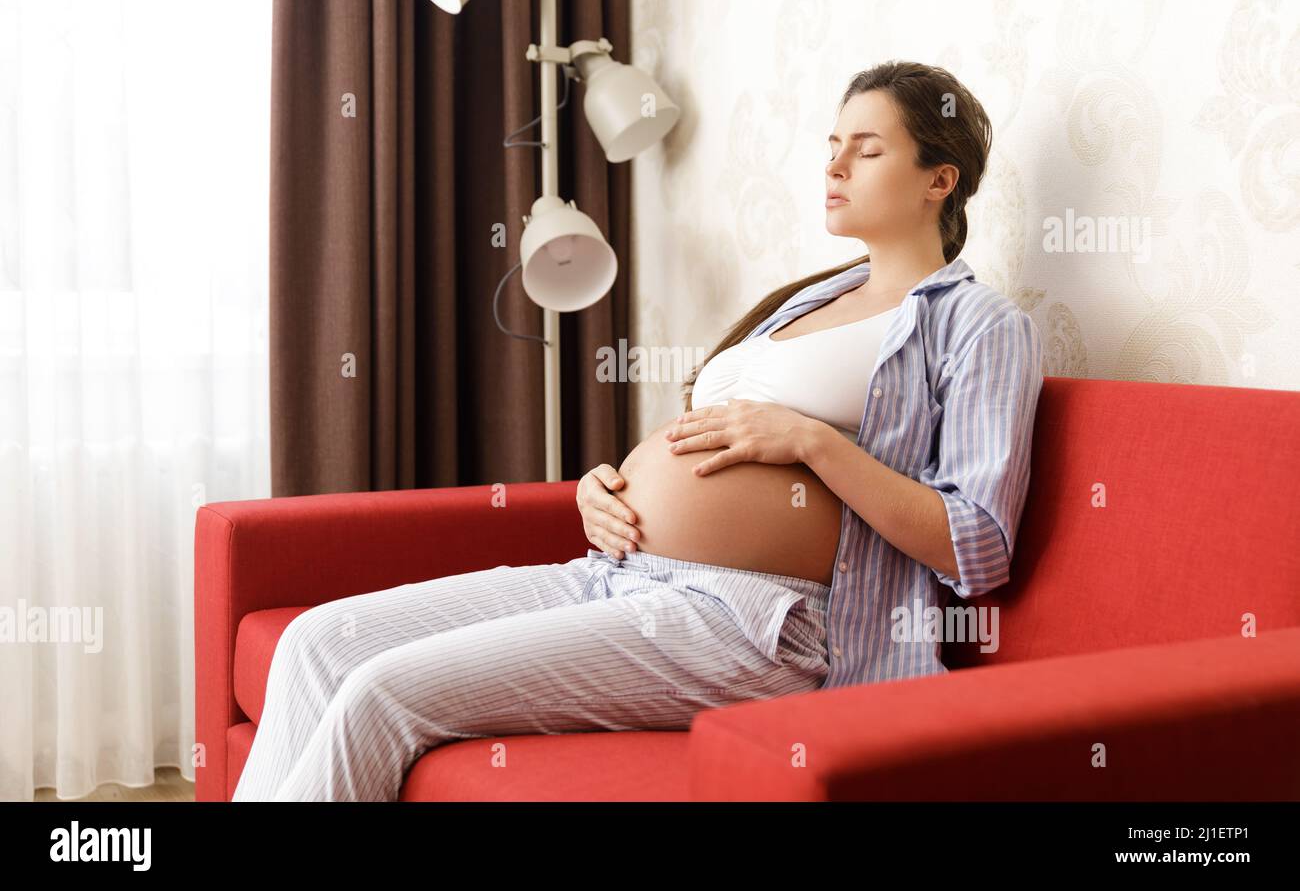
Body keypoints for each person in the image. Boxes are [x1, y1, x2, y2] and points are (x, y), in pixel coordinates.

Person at [232, 60, 1043, 801]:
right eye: (833, 145)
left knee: (383, 693)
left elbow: (977, 547)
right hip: (617, 572)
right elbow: (706, 437)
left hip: (758, 623)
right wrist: (608, 486)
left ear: (942, 178)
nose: (832, 167)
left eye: (866, 151)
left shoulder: (977, 325)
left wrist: (812, 444)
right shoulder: (812, 300)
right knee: (316, 644)